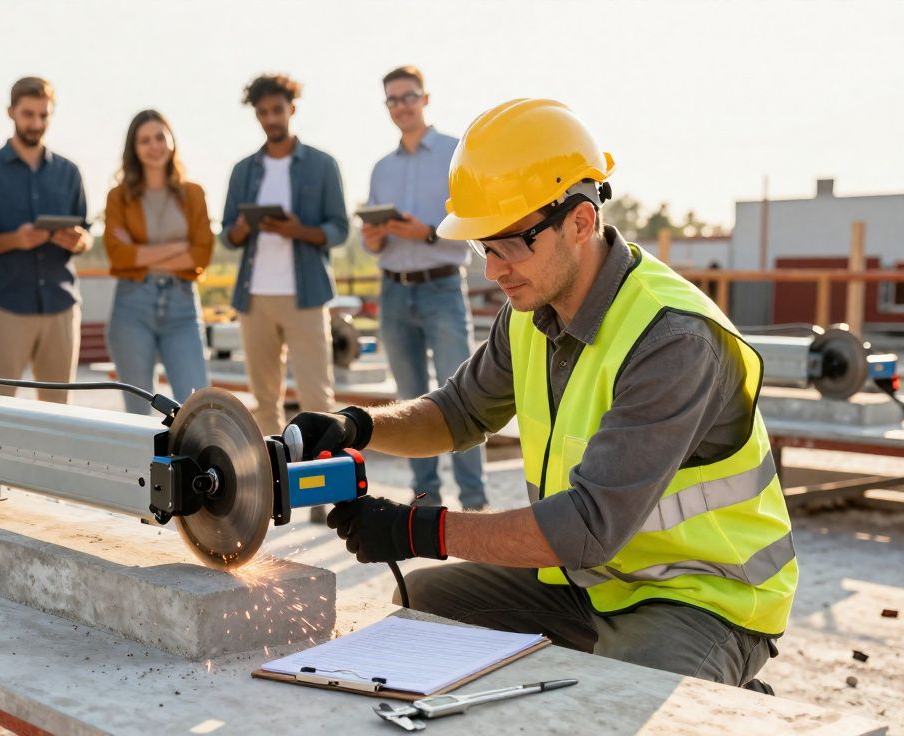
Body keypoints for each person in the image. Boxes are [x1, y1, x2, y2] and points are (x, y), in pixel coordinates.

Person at [286, 99, 796, 688]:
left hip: (698, 594)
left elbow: (587, 525)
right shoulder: (530, 309)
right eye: (483, 247)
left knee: (629, 697)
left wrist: (416, 528)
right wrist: (359, 425)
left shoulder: (673, 339)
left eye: (509, 244)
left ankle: (729, 689)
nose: (492, 270)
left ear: (580, 222)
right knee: (426, 606)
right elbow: (457, 413)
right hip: (588, 579)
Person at [362, 66, 486, 510]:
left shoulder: (456, 153)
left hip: (441, 287)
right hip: (393, 291)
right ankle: (424, 505)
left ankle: (475, 504)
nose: (401, 106)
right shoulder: (381, 168)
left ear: (425, 98)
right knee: (409, 404)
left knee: (466, 399)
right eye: (392, 99)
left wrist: (428, 233)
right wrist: (374, 237)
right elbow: (370, 243)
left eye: (408, 96)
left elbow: (474, 222)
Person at [219, 73, 348, 436]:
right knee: (264, 400)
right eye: (263, 113)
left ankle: (322, 467)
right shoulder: (243, 171)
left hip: (305, 297)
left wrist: (297, 231)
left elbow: (340, 229)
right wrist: (244, 227)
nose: (271, 119)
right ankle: (273, 469)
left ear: (292, 109)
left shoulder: (323, 165)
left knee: (317, 398)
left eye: (277, 110)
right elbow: (227, 236)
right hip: (254, 300)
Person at [0, 77, 91, 403]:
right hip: (6, 307)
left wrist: (78, 241)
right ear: (11, 112)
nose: (36, 123)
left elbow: (86, 235)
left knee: (58, 413)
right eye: (28, 114)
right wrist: (15, 240)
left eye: (43, 115)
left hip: (61, 307)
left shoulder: (69, 172)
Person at [103, 110, 213, 413]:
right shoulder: (119, 197)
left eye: (160, 137)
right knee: (138, 411)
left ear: (172, 140)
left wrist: (140, 252)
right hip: (132, 307)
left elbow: (202, 254)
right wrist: (179, 248)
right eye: (144, 140)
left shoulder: (194, 194)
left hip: (182, 306)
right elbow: (118, 255)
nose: (154, 146)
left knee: (195, 407)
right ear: (134, 148)